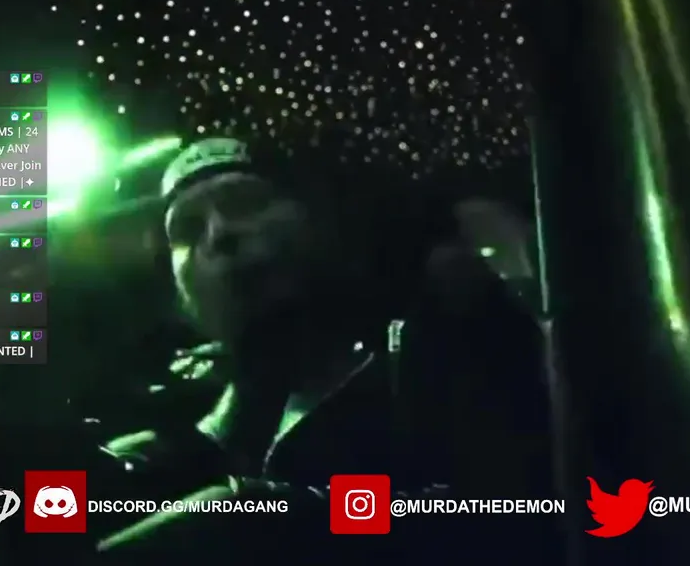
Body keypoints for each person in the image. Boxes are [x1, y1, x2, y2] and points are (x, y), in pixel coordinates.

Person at [96, 138, 557, 564]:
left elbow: (515, 510)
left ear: (317, 220)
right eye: (188, 229)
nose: (219, 235)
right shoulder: (225, 412)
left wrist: (276, 517)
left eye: (245, 204)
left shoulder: (442, 333)